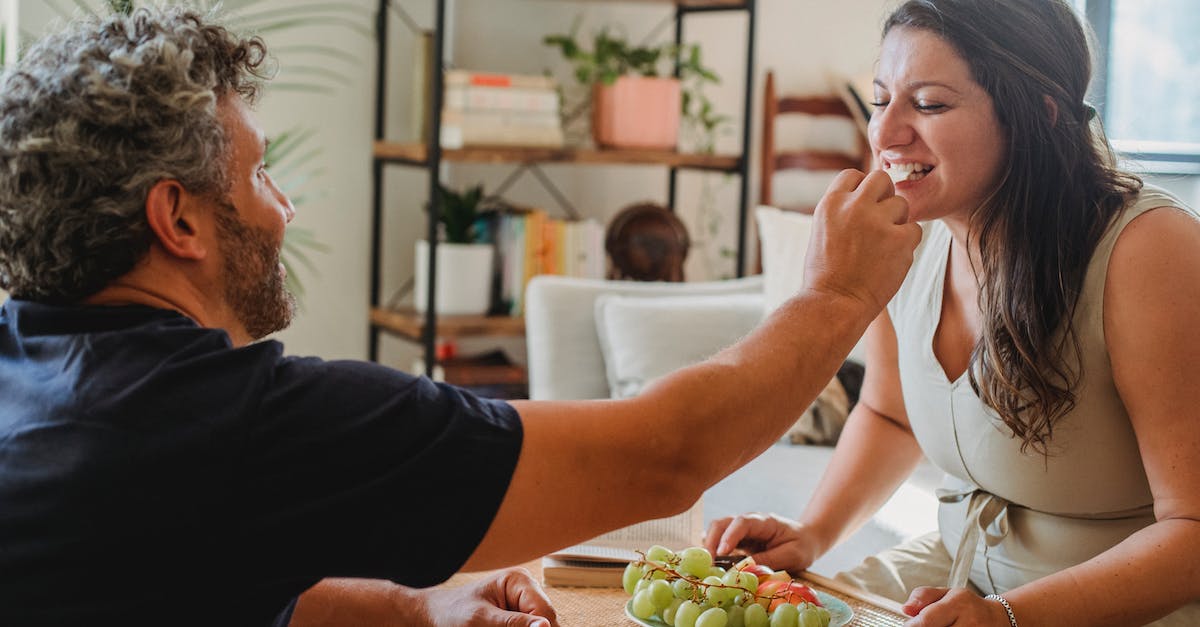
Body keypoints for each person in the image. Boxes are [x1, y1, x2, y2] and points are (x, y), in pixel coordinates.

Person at [0, 7, 921, 627]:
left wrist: (417, 606)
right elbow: (664, 453)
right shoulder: (236, 421)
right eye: (257, 175)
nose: (284, 207)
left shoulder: (34, 373)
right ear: (178, 219)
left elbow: (197, 567)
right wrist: (837, 295)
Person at [705, 1, 1200, 625]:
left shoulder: (1150, 250)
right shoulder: (900, 239)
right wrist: (812, 532)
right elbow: (890, 415)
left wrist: (1006, 616)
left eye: (930, 104)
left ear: (1037, 114)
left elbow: (1194, 531)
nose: (884, 135)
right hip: (958, 575)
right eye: (882, 99)